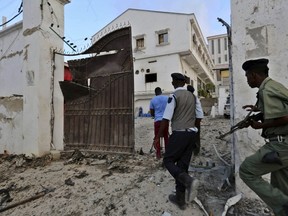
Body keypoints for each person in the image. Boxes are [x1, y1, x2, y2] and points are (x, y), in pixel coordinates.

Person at [239, 58, 288, 215]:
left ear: (253, 75)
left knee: (246, 170)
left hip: (281, 145)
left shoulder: (266, 90)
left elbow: (286, 116)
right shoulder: (273, 86)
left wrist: (261, 125)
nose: (246, 79)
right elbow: (277, 111)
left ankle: (284, 204)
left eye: (247, 76)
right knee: (282, 187)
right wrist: (259, 114)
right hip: (284, 144)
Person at [155, 73, 199, 210]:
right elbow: (199, 117)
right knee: (182, 166)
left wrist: (158, 136)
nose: (172, 82)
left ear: (175, 82)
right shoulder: (193, 97)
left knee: (168, 160)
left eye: (173, 80)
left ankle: (187, 180)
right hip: (192, 133)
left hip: (179, 133)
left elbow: (166, 118)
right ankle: (181, 201)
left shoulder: (174, 96)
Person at [150, 87, 169, 159]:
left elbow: (152, 112)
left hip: (157, 120)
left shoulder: (153, 99)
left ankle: (158, 154)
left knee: (157, 136)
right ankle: (167, 153)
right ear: (161, 92)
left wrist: (155, 115)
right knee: (166, 136)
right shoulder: (166, 98)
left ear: (155, 93)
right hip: (165, 120)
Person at [187, 85, 204, 156]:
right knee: (195, 134)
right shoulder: (194, 97)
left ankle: (195, 150)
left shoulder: (191, 97)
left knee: (192, 134)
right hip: (197, 118)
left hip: (195, 118)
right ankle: (195, 150)